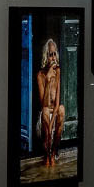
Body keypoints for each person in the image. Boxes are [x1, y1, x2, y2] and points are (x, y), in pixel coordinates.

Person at [35, 37, 64, 168]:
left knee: (62, 108)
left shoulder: (58, 71)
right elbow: (44, 105)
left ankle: (53, 153)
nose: (53, 58)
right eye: (50, 55)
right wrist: (47, 81)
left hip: (54, 114)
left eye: (54, 54)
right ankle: (47, 155)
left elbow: (57, 103)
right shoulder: (40, 75)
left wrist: (52, 124)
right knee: (46, 111)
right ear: (46, 56)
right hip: (45, 115)